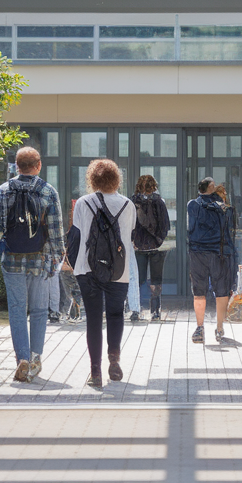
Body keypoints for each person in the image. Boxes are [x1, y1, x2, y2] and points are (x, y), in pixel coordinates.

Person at [0, 146, 65, 383]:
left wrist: (5, 242)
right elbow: (56, 233)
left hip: (11, 260)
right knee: (40, 310)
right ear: (39, 165)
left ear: (17, 166)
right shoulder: (48, 192)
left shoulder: (3, 191)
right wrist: (56, 259)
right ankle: (35, 357)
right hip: (40, 259)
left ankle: (21, 358)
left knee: (17, 310)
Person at [70, 159, 137, 387]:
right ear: (116, 178)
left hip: (87, 269)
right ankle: (114, 360)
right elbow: (130, 235)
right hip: (119, 270)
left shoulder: (83, 203)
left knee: (94, 320)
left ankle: (95, 372)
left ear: (92, 179)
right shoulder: (128, 205)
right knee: (116, 315)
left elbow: (76, 236)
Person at [186, 177, 235, 345]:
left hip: (198, 253)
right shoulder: (222, 207)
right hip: (219, 253)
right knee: (221, 291)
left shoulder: (192, 205)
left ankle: (200, 328)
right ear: (211, 188)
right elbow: (229, 228)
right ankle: (219, 328)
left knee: (199, 291)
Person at [131, 174, 171, 322]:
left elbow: (130, 224)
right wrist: (159, 239)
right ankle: (155, 310)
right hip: (156, 246)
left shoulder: (133, 201)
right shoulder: (159, 201)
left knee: (138, 279)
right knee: (156, 279)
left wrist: (133, 240)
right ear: (154, 185)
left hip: (138, 246)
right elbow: (165, 224)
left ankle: (136, 309)